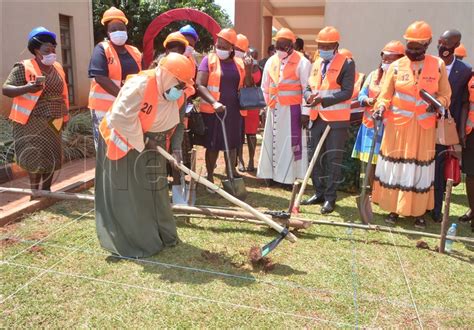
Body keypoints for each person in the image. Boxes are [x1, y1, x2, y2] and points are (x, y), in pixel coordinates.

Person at [95, 53, 194, 258]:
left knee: (156, 191)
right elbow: (119, 118)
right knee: (132, 194)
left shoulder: (180, 93)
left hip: (153, 146)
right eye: (178, 84)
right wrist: (145, 141)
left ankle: (163, 235)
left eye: (183, 85)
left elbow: (179, 126)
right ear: (165, 75)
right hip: (123, 141)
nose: (180, 90)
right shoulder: (140, 84)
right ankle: (137, 241)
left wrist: (176, 150)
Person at [371, 21, 451, 228]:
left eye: (417, 47)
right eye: (410, 46)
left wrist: (437, 105)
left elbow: (445, 95)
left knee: (419, 170)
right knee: (396, 167)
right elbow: (385, 95)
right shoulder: (396, 66)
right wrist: (380, 107)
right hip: (397, 127)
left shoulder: (438, 65)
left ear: (427, 44)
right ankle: (392, 209)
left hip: (423, 128)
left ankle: (418, 212)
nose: (412, 51)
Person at [2, 27, 69, 193]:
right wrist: (26, 88)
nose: (51, 52)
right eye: (47, 49)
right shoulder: (23, 67)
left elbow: (63, 93)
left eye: (53, 49)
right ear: (36, 50)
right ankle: (35, 193)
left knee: (52, 154)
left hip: (55, 119)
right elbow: (6, 89)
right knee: (35, 155)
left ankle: (47, 192)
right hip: (31, 121)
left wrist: (65, 117)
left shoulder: (58, 68)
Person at [302, 26, 355, 214]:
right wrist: (308, 96)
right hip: (317, 117)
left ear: (336, 45)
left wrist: (323, 100)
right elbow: (308, 86)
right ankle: (319, 192)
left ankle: (330, 198)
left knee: (333, 159)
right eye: (320, 45)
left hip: (336, 120)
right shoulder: (317, 62)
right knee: (315, 157)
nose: (323, 48)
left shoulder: (347, 64)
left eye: (327, 45)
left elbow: (347, 92)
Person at [196, 28, 253, 188]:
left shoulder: (240, 63)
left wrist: (248, 71)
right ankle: (210, 176)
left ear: (232, 48)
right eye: (218, 45)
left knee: (233, 144)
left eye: (224, 46)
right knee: (213, 144)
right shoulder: (208, 60)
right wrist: (214, 102)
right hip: (214, 111)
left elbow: (248, 86)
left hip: (234, 111)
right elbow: (200, 84)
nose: (219, 49)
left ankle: (230, 175)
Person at [257, 28, 311, 188]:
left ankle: (287, 178)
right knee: (271, 142)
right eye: (277, 45)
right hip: (274, 109)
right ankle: (270, 175)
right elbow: (264, 86)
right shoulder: (271, 61)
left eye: (283, 45)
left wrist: (305, 112)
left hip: (292, 110)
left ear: (291, 45)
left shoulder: (302, 62)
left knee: (288, 145)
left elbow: (307, 88)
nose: (279, 48)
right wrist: (266, 106)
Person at [351, 41, 405, 189]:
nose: (386, 62)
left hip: (390, 127)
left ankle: (384, 189)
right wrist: (367, 100)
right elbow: (362, 94)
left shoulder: (402, 79)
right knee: (369, 159)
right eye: (384, 59)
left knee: (387, 160)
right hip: (370, 125)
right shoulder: (374, 75)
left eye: (390, 59)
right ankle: (372, 189)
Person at [431, 29, 472, 222]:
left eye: (447, 44)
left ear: (455, 46)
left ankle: (436, 209)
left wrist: (461, 131)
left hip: (445, 128)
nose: (442, 47)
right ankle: (421, 205)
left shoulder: (465, 71)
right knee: (424, 166)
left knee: (440, 168)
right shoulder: (430, 64)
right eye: (440, 42)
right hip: (424, 124)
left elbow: (464, 102)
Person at [88, 6, 142, 148]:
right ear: (107, 32)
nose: (119, 31)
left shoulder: (134, 51)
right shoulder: (101, 49)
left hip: (127, 107)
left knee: (123, 145)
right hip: (103, 108)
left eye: (121, 28)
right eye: (113, 29)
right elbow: (100, 77)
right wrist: (123, 96)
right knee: (105, 145)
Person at [235, 38, 262, 173]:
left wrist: (249, 69)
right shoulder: (240, 66)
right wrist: (246, 69)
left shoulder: (258, 69)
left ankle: (251, 159)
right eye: (250, 55)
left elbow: (250, 84)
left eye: (254, 56)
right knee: (240, 133)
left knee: (251, 134)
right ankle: (240, 160)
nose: (252, 58)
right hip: (240, 103)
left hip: (253, 106)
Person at [459, 72, 474, 229]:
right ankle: (472, 210)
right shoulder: (471, 77)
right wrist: (462, 130)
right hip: (471, 132)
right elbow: (465, 104)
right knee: (471, 175)